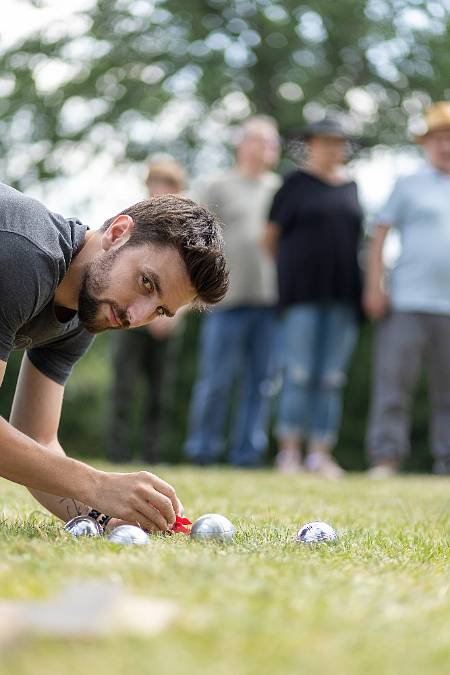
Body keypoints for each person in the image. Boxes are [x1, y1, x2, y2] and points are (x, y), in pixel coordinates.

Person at [0, 182, 228, 532]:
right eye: (146, 283)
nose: (136, 316)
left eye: (161, 310)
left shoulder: (85, 311)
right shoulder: (24, 257)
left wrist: (109, 517)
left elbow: (38, 440)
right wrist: (98, 485)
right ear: (118, 233)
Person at [264, 117, 363, 477]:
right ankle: (289, 452)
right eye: (325, 142)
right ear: (311, 144)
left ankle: (320, 453)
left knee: (331, 377)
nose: (333, 148)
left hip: (343, 295)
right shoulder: (294, 184)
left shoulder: (352, 186)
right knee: (298, 373)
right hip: (302, 295)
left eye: (339, 142)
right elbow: (269, 238)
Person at [184, 116, 281, 466]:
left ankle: (247, 454)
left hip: (271, 304)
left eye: (272, 142)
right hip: (225, 301)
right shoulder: (217, 185)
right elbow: (192, 228)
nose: (268, 147)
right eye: (261, 140)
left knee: (262, 384)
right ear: (242, 144)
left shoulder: (279, 189)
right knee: (216, 380)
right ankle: (202, 450)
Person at [364, 101, 450, 477]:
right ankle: (386, 458)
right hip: (406, 301)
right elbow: (380, 235)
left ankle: (446, 461)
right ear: (426, 143)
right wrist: (375, 285)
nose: (445, 145)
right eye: (438, 138)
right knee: (393, 385)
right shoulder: (408, 183)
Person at [108, 156, 187, 464]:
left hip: (166, 325)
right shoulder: (135, 221)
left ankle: (153, 455)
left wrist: (168, 315)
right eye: (154, 183)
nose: (158, 189)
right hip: (129, 319)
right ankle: (117, 453)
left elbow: (190, 284)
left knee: (160, 394)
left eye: (166, 183)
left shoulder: (185, 230)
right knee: (123, 387)